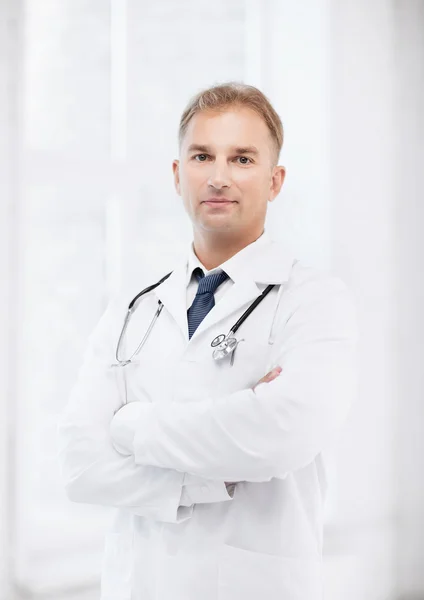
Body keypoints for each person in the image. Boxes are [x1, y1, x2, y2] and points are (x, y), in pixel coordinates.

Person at [57, 82, 358, 600]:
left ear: (274, 180)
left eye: (242, 158)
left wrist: (130, 426)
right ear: (178, 176)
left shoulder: (313, 300)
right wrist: (204, 481)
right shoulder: (132, 306)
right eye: (202, 156)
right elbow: (79, 465)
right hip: (137, 585)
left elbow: (280, 435)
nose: (219, 176)